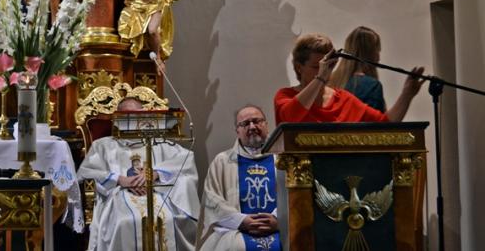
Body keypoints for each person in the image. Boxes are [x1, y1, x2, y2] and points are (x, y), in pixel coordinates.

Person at [77, 97, 200, 251]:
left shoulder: (158, 142)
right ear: (117, 119)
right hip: (120, 194)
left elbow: (186, 160)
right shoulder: (104, 145)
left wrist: (156, 173)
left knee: (168, 219)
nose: (132, 120)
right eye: (127, 116)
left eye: (136, 115)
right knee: (125, 222)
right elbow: (86, 172)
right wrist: (119, 179)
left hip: (157, 192)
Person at [274, 33, 425, 125]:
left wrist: (407, 95)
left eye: (328, 66)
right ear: (299, 67)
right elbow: (291, 117)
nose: (325, 71)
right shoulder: (285, 96)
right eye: (316, 67)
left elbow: (385, 123)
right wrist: (320, 78)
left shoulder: (343, 99)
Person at [197, 105, 280, 251]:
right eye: (245, 123)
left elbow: (293, 197)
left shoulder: (283, 158)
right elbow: (212, 199)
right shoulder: (222, 161)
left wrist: (277, 219)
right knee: (235, 247)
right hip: (235, 229)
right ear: (237, 131)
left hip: (279, 227)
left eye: (257, 121)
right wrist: (241, 220)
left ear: (266, 125)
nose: (252, 127)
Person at [330, 26, 387, 111]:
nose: (379, 58)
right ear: (370, 54)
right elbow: (379, 119)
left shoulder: (330, 81)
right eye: (377, 50)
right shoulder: (371, 86)